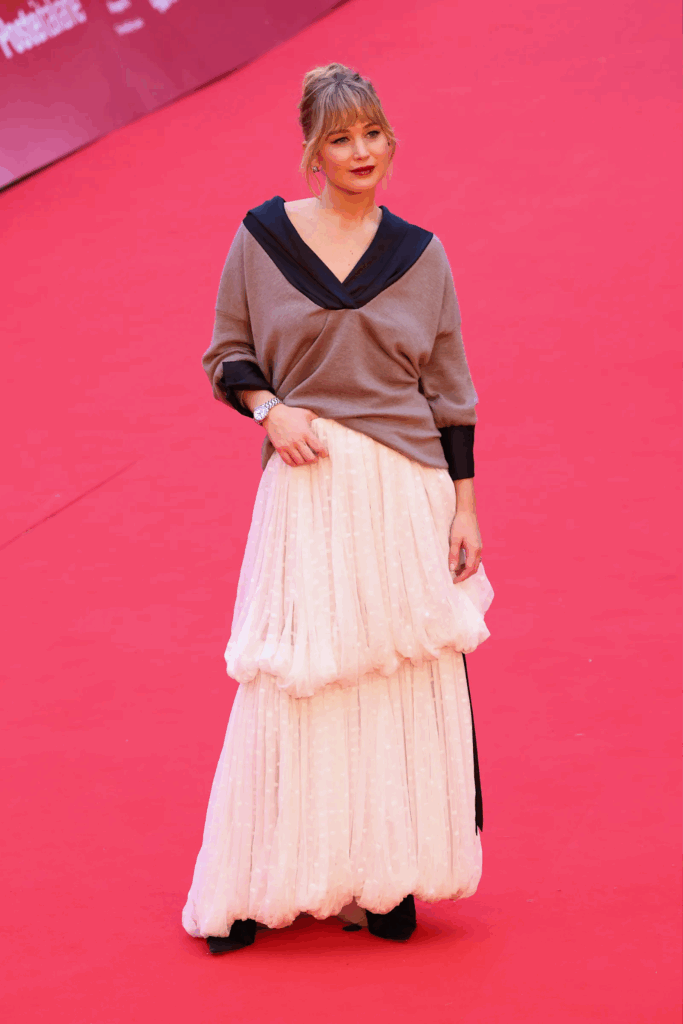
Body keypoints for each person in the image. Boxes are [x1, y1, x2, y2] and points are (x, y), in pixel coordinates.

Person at [182, 62, 494, 954]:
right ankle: (258, 881)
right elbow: (226, 354)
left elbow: (450, 392)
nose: (360, 152)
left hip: (404, 490)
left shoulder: (421, 255)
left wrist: (464, 509)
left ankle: (381, 879)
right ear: (310, 152)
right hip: (309, 486)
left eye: (372, 134)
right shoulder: (263, 238)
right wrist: (268, 411)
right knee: (296, 676)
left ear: (391, 142)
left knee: (396, 678)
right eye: (340, 138)